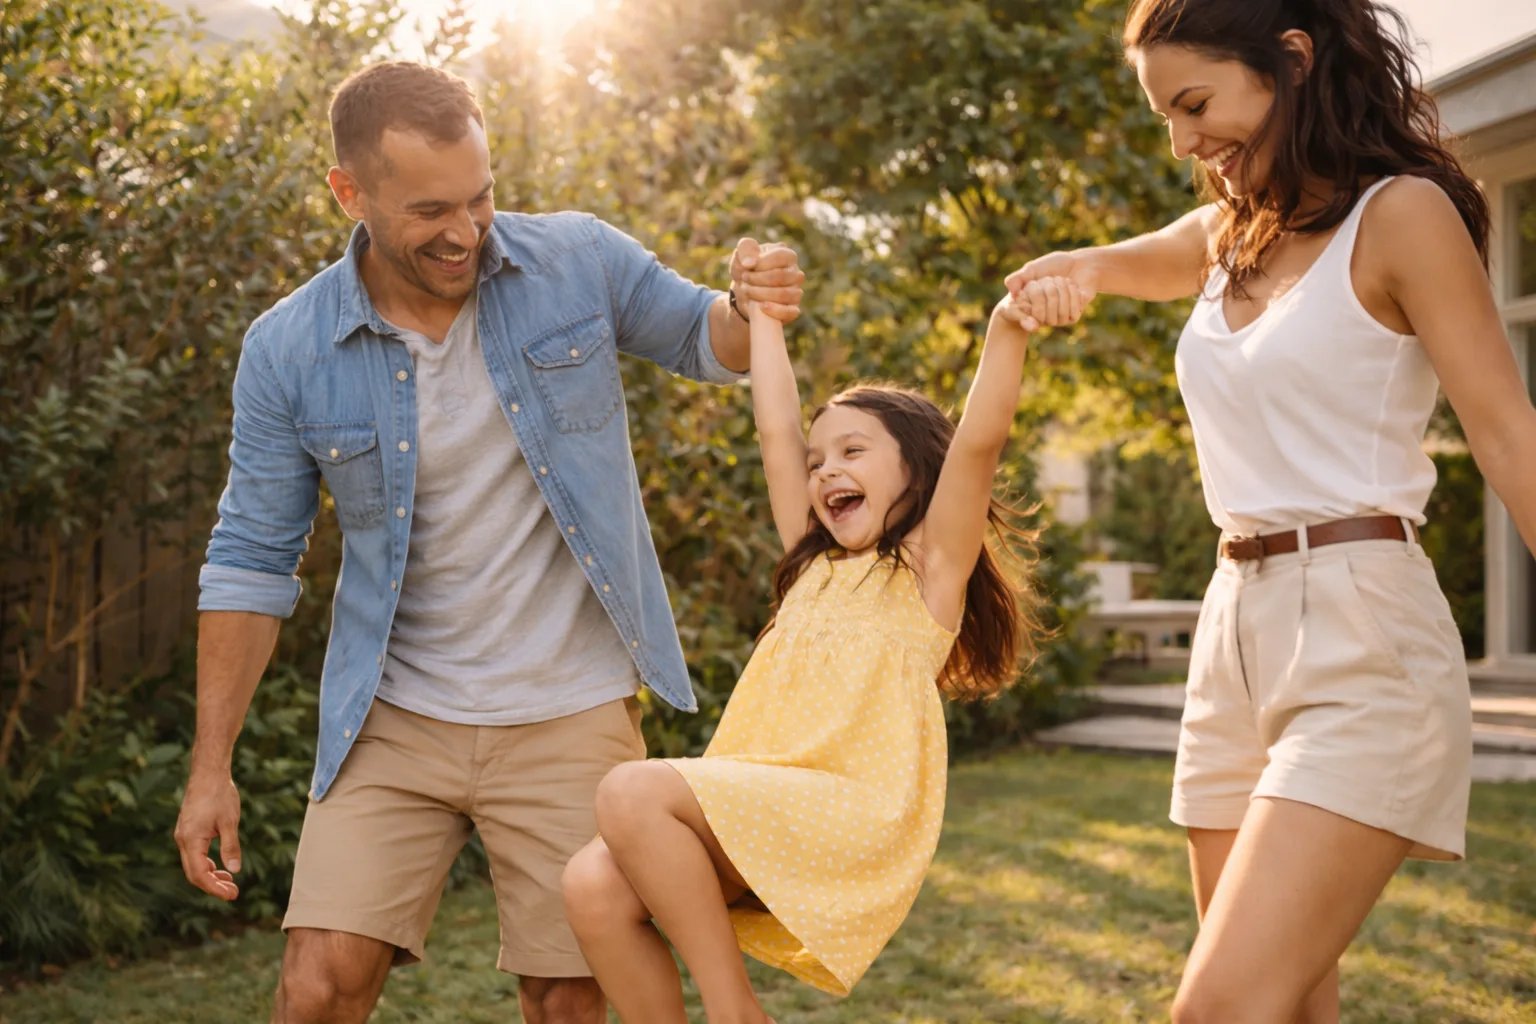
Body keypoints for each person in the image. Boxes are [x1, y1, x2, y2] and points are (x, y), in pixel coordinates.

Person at [172, 60, 804, 1024]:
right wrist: (210, 768)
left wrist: (748, 301)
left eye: (482, 198)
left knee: (567, 996)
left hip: (568, 706)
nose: (465, 231)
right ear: (350, 192)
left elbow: (704, 338)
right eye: (431, 210)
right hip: (393, 716)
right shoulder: (288, 349)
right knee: (318, 988)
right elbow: (253, 560)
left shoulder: (576, 260)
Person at [1006, 2, 1536, 1021]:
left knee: (1217, 1007)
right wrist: (1071, 271)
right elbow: (1141, 259)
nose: (1184, 141)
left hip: (1362, 631)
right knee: (1288, 1008)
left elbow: (1510, 434)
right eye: (1167, 116)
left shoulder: (1402, 216)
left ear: (1291, 61)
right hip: (1231, 628)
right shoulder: (1228, 234)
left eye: (1197, 102)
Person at [559, 267, 1082, 1022]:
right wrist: (762, 315)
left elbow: (979, 442)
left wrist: (1006, 326)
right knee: (591, 885)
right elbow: (775, 427)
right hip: (762, 796)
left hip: (848, 807)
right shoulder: (811, 560)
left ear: (915, 466)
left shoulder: (929, 570)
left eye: (853, 451)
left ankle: (736, 1011)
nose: (827, 468)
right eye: (819, 461)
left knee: (628, 789)